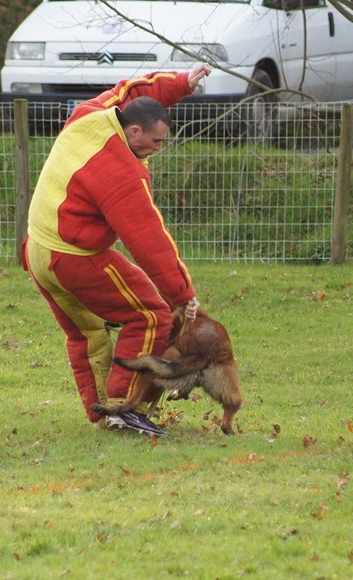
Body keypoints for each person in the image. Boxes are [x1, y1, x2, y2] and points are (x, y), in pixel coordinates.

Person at [23, 64, 211, 435]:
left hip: (36, 251)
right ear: (135, 132)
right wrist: (184, 295)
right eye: (155, 142)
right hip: (74, 257)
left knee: (86, 334)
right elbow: (149, 242)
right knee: (151, 315)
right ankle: (124, 405)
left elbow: (131, 92)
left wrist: (181, 83)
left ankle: (103, 411)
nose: (158, 149)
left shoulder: (90, 116)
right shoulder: (122, 173)